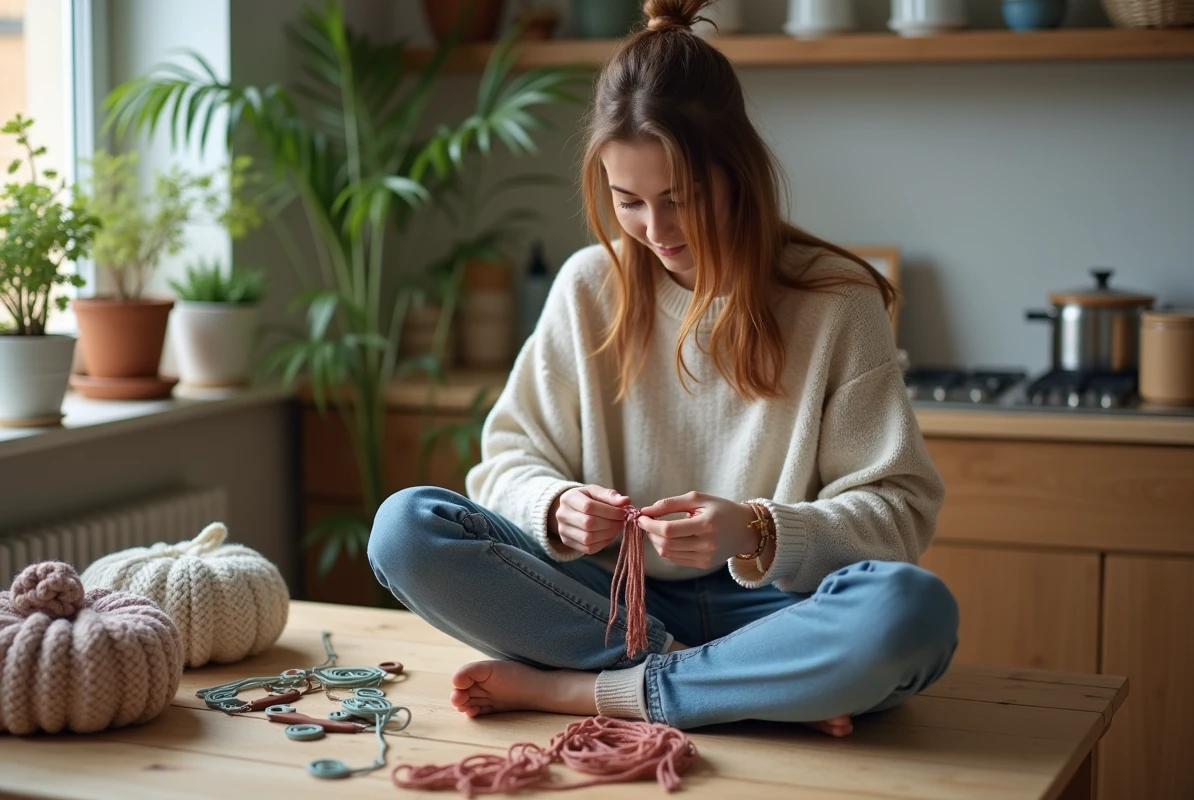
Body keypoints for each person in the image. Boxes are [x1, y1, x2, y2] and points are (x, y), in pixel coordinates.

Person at [368, 0, 958, 736]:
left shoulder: (838, 302)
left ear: (737, 172)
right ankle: (739, 685)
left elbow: (898, 517)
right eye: (629, 203)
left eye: (681, 199)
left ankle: (587, 691)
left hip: (776, 608)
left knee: (912, 611)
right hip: (608, 606)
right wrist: (554, 506)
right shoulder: (588, 287)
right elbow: (504, 465)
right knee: (404, 530)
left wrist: (757, 530)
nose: (657, 230)